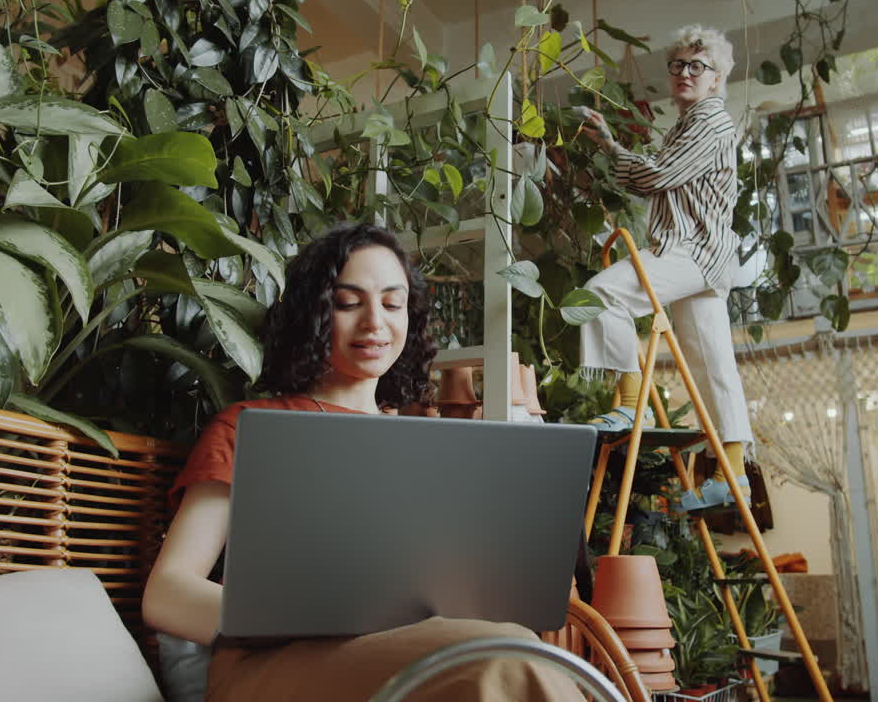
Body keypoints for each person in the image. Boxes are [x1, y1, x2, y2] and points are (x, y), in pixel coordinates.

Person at [142, 223, 584, 701]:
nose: (375, 322)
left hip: (413, 649)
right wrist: (303, 616)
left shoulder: (430, 446)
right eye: (349, 302)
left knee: (514, 647)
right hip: (271, 666)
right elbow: (166, 594)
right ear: (312, 314)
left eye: (392, 304)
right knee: (501, 658)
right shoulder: (248, 427)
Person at [577, 25, 754, 512]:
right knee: (712, 362)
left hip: (692, 250)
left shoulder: (710, 123)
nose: (685, 74)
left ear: (717, 78)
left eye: (698, 66)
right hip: (707, 254)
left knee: (601, 294)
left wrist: (612, 148)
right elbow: (658, 179)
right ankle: (734, 474)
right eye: (678, 65)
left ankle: (630, 406)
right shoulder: (688, 123)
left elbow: (656, 177)